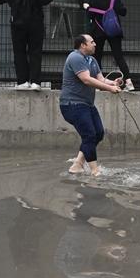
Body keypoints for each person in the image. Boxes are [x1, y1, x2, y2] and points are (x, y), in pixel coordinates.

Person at [60, 34, 121, 177]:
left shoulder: (92, 60)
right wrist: (109, 89)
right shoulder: (75, 57)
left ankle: (77, 164)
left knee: (98, 133)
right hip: (72, 104)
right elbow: (86, 80)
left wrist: (113, 83)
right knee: (89, 135)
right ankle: (95, 170)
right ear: (83, 45)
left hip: (87, 104)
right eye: (92, 42)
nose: (95, 44)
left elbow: (100, 79)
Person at [0, 0, 57, 90]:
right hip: (36, 26)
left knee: (19, 53)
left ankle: (22, 82)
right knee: (35, 53)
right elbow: (45, 0)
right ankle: (35, 82)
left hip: (17, 26)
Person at [82, 0, 134, 91]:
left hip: (98, 31)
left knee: (97, 57)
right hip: (113, 31)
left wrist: (87, 8)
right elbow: (123, 12)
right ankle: (129, 82)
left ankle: (98, 84)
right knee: (118, 56)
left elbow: (91, 16)